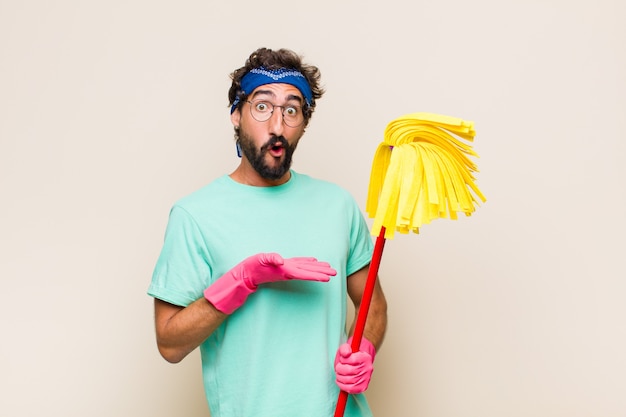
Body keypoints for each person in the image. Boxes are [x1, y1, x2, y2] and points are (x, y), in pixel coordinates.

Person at [148, 47, 388, 417]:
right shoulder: (194, 215)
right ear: (236, 116)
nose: (277, 125)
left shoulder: (338, 205)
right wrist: (242, 280)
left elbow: (372, 301)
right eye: (262, 107)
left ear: (303, 124)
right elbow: (169, 343)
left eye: (291, 110)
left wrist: (364, 348)